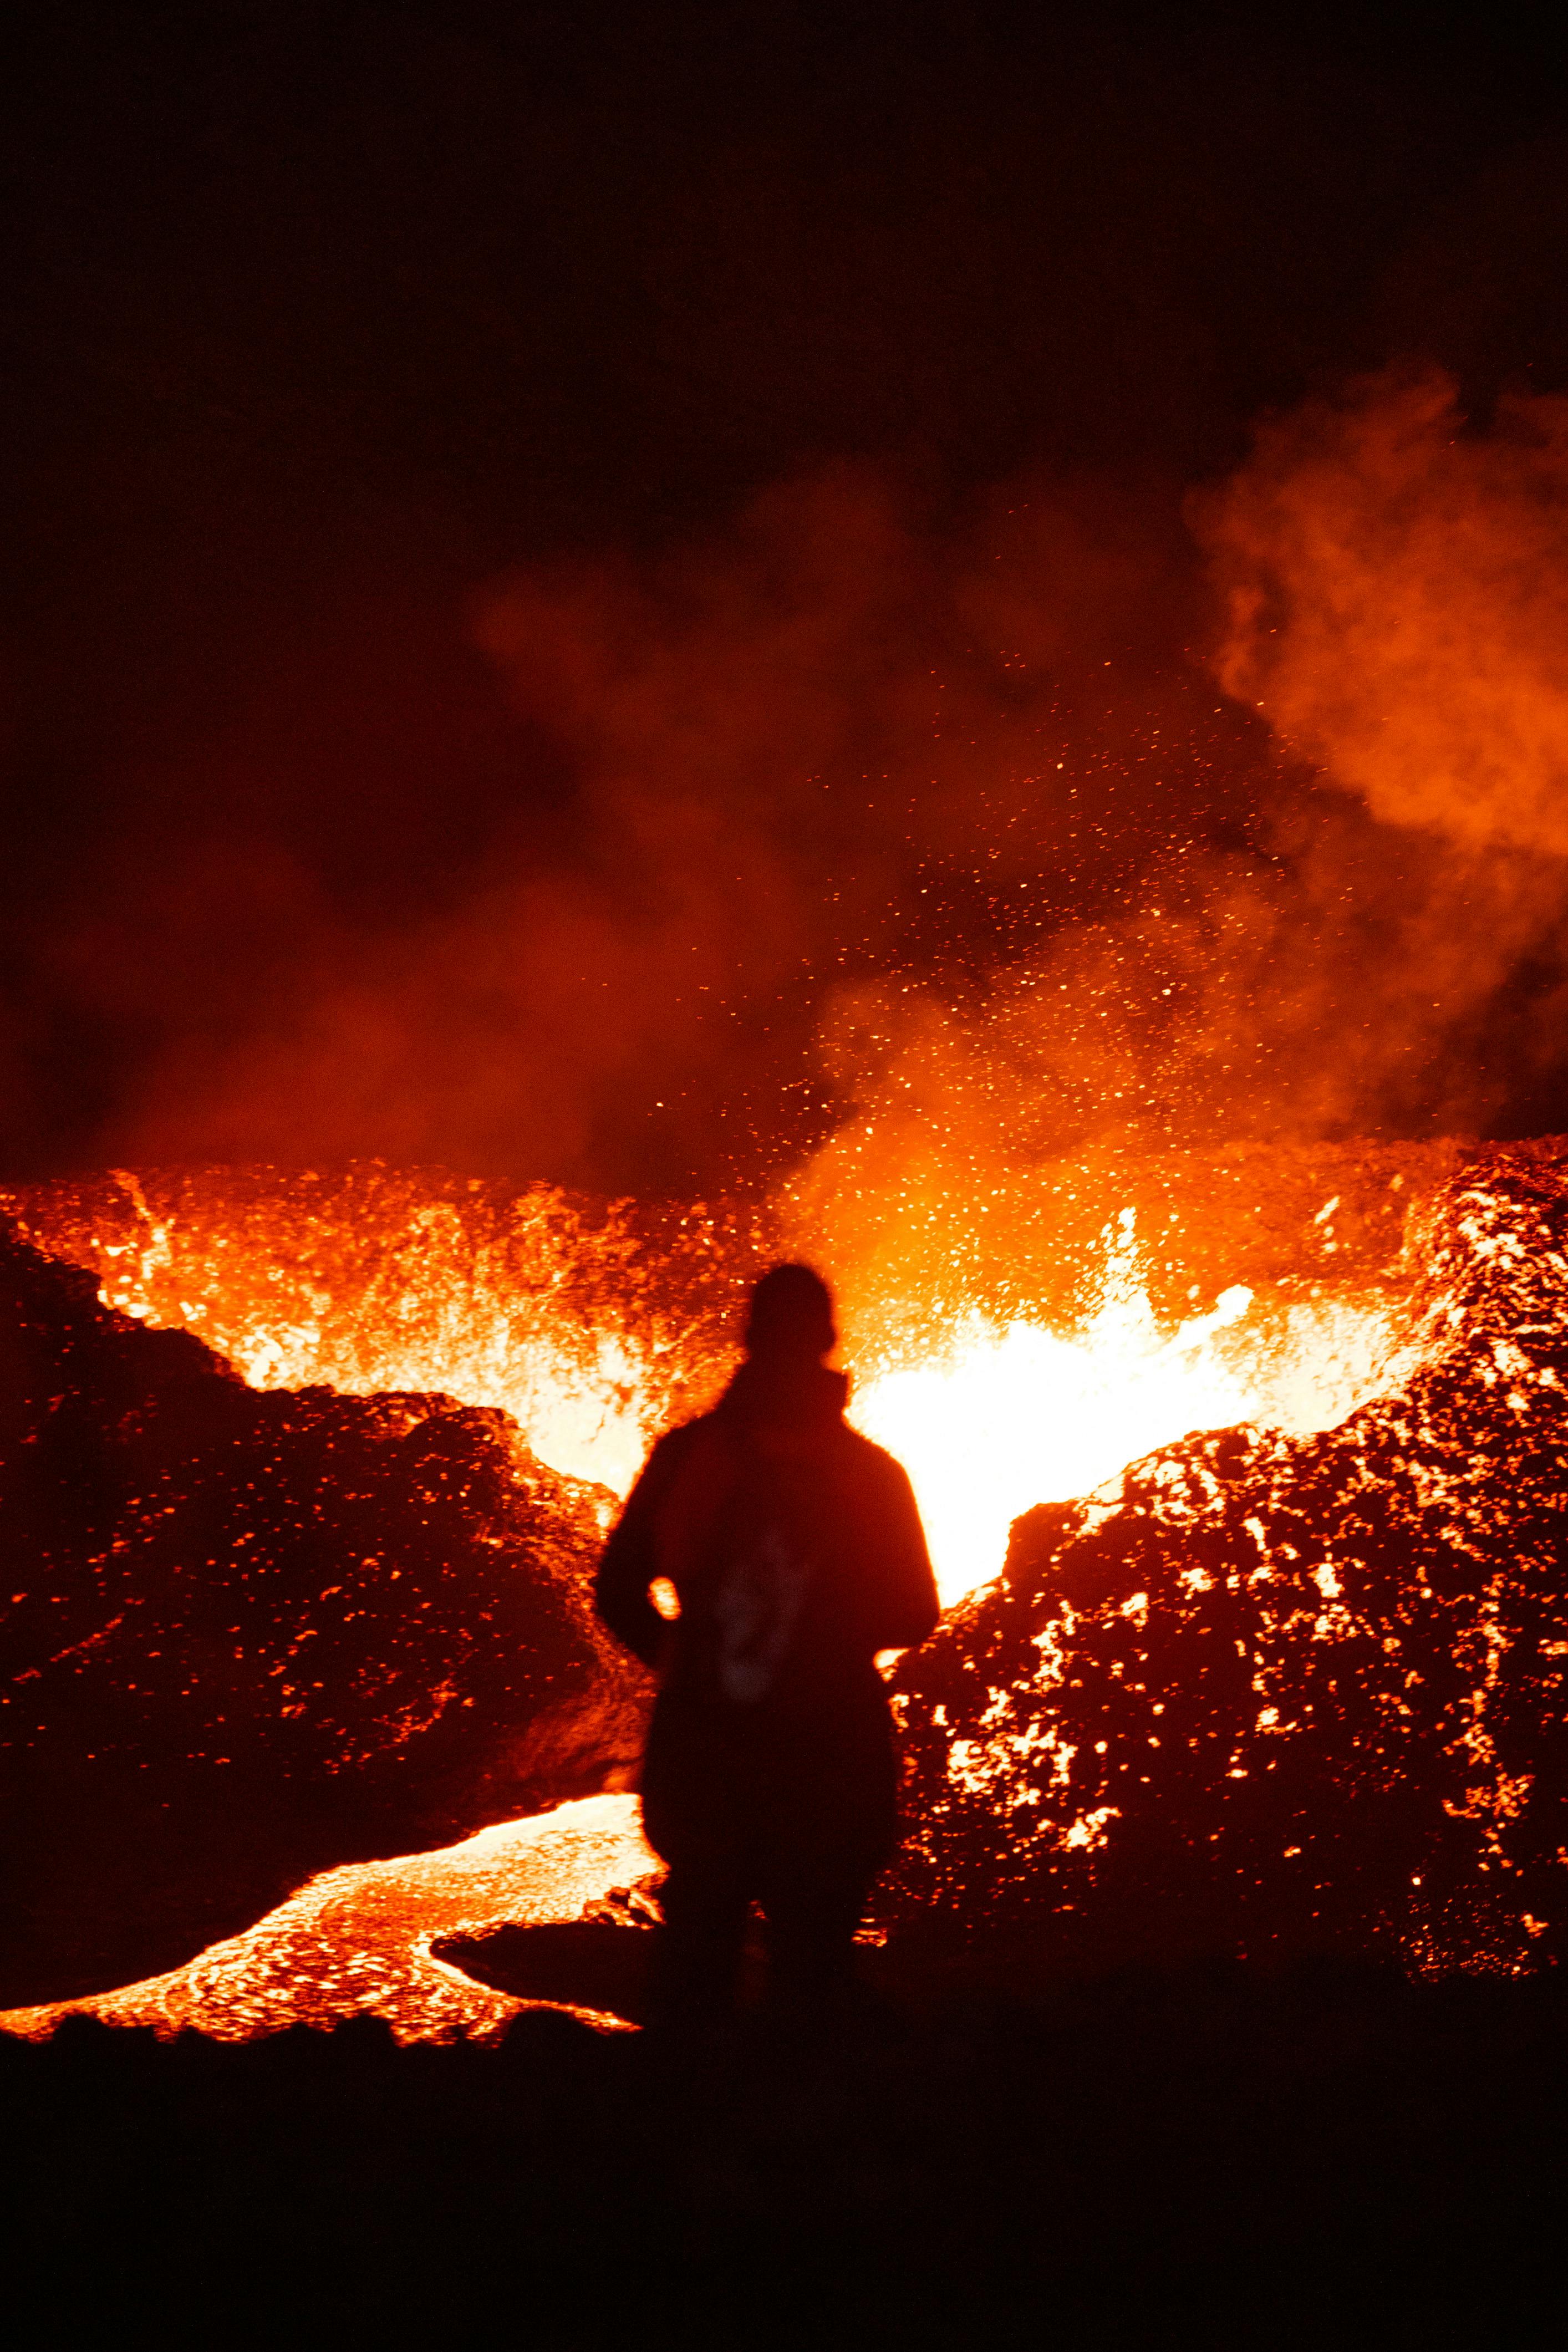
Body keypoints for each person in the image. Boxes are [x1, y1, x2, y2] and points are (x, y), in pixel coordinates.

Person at [594, 1262, 940, 2024]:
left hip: (708, 1754)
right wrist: (825, 1641)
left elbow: (617, 1587)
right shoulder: (869, 1475)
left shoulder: (689, 1458)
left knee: (696, 1969)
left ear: (749, 1336)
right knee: (811, 1977)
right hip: (831, 1755)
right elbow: (914, 1614)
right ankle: (795, 2130)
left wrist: (689, 1660)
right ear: (827, 1340)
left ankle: (684, 2127)